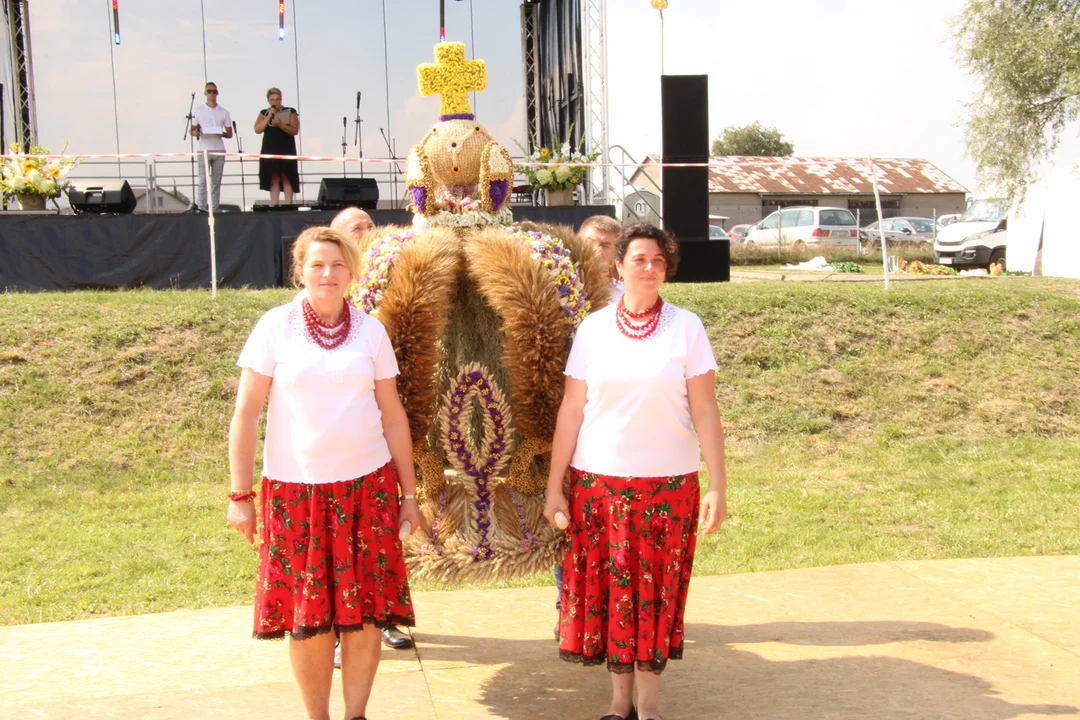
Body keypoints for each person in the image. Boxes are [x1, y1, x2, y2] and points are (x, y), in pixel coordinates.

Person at [228, 225, 421, 720]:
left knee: (365, 617)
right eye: (317, 264)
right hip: (296, 496)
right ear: (300, 271)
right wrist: (239, 494)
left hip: (368, 492)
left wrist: (409, 494)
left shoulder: (372, 332)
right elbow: (246, 414)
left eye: (337, 265)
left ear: (352, 272)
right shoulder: (274, 326)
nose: (328, 274)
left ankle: (356, 714)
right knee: (308, 618)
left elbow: (393, 416)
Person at [544, 222, 728, 720]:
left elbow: (706, 410)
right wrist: (554, 488)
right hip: (598, 485)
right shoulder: (593, 329)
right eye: (640, 259)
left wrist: (718, 485)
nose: (650, 269)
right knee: (612, 595)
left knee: (654, 596)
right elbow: (571, 410)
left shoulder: (687, 327)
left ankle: (648, 709)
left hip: (668, 489)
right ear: (618, 266)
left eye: (659, 262)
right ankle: (617, 705)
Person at [551, 214, 626, 641]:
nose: (600, 252)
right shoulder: (556, 284)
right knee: (567, 517)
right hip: (565, 411)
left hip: (611, 420)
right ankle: (569, 604)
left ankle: (611, 604)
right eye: (593, 243)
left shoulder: (627, 295)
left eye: (608, 246)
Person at [191, 81, 233, 213]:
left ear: (217, 93)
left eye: (214, 91)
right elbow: (192, 130)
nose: (212, 94)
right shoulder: (198, 111)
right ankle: (201, 208)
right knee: (203, 180)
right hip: (203, 148)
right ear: (205, 93)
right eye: (209, 91)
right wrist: (196, 132)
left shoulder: (224, 112)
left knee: (216, 181)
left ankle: (214, 209)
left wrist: (220, 133)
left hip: (219, 149)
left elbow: (229, 133)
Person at [254, 87, 301, 205]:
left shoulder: (290, 111)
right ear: (268, 101)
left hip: (286, 148)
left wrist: (281, 125)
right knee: (273, 177)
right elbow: (257, 129)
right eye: (272, 100)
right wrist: (269, 115)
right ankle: (274, 205)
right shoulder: (264, 113)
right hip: (270, 148)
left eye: (277, 99)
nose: (275, 102)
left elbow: (295, 130)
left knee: (286, 176)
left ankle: (288, 204)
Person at [580, 215, 624, 304]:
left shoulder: (627, 295)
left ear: (617, 251)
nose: (597, 250)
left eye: (605, 245)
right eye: (589, 243)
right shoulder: (564, 288)